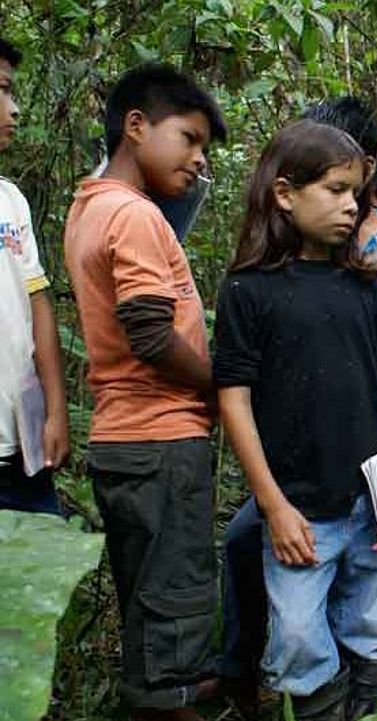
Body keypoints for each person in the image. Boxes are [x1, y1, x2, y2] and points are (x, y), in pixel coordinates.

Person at [218, 100, 377, 721]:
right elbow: (233, 398)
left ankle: (365, 709)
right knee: (296, 635)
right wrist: (270, 503)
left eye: (357, 191)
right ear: (286, 194)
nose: (354, 204)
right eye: (337, 189)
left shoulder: (368, 284)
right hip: (298, 502)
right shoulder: (248, 290)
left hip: (370, 497)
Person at [61, 63, 226, 720]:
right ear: (136, 126)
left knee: (151, 609)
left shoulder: (90, 205)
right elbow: (151, 334)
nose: (198, 159)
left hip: (124, 437)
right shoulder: (131, 215)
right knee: (174, 618)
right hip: (160, 439)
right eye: (188, 138)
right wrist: (224, 386)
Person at [0, 36, 69, 514]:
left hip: (20, 443)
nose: (15, 109)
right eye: (2, 91)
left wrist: (56, 409)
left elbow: (38, 303)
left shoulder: (10, 201)